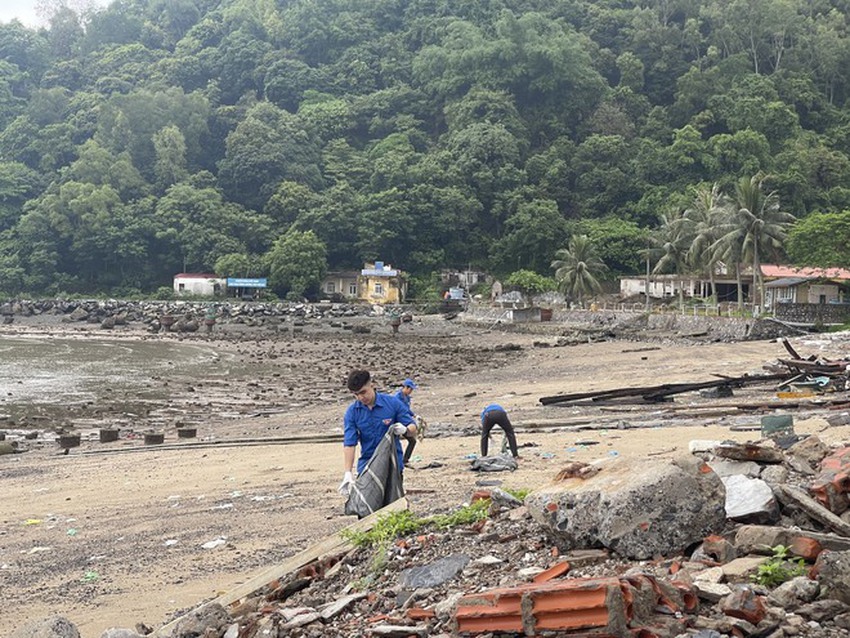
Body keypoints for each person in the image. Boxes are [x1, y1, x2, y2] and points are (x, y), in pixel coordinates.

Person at [338, 370, 417, 497]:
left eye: (363, 392)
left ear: (372, 385)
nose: (360, 397)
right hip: (368, 464)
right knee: (367, 506)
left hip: (392, 464)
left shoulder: (392, 403)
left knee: (393, 505)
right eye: (356, 394)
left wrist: (405, 430)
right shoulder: (353, 412)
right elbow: (349, 443)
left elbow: (413, 427)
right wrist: (347, 472)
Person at [394, 378, 419, 464]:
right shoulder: (397, 397)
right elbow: (402, 409)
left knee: (412, 441)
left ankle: (405, 460)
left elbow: (407, 409)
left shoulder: (407, 398)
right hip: (397, 422)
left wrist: (414, 415)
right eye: (410, 389)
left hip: (404, 422)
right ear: (406, 387)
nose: (411, 391)